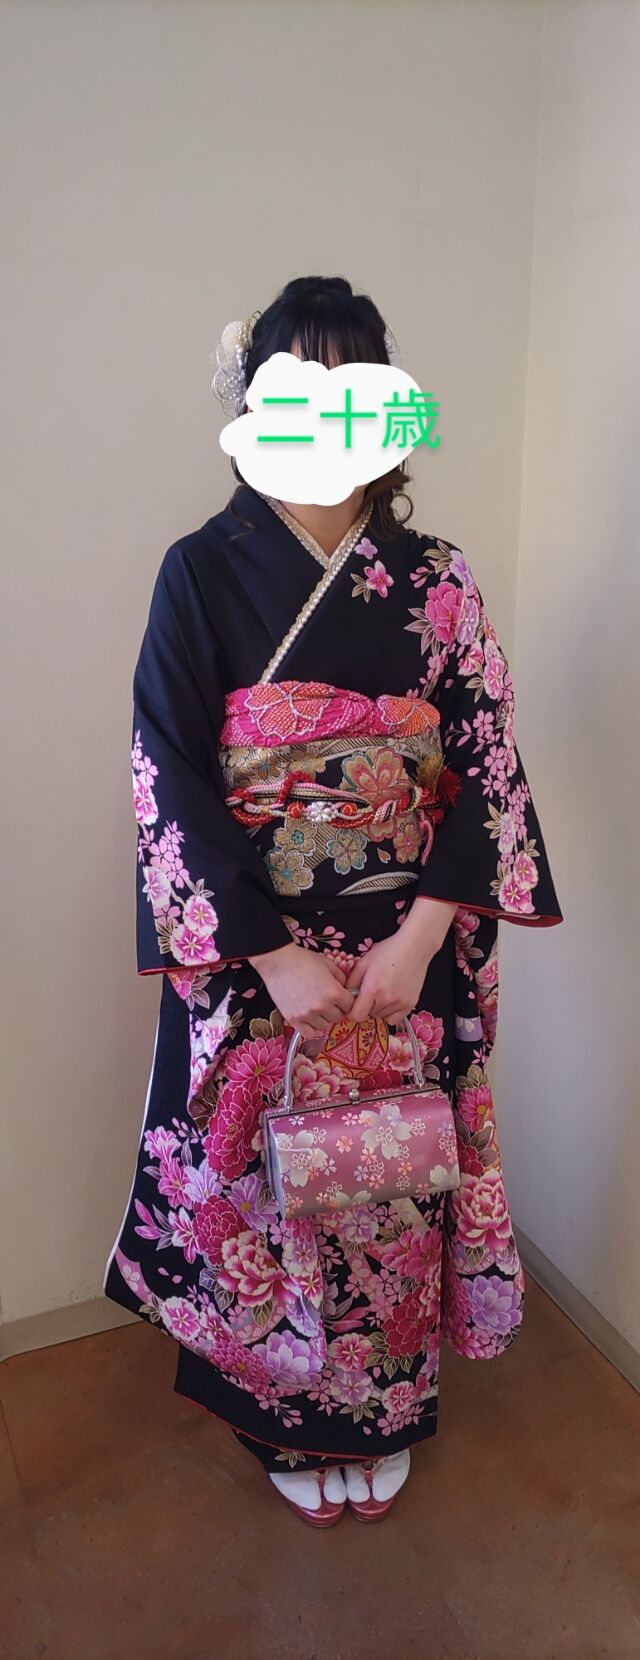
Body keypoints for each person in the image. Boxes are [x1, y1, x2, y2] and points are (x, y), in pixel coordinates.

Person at [104, 275, 563, 1526]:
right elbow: (166, 769)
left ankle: (385, 1407)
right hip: (261, 954)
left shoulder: (439, 579)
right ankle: (278, 1417)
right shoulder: (202, 573)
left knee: (391, 1173)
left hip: (406, 947)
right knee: (260, 1183)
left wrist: (421, 938)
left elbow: (486, 764)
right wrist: (269, 955)